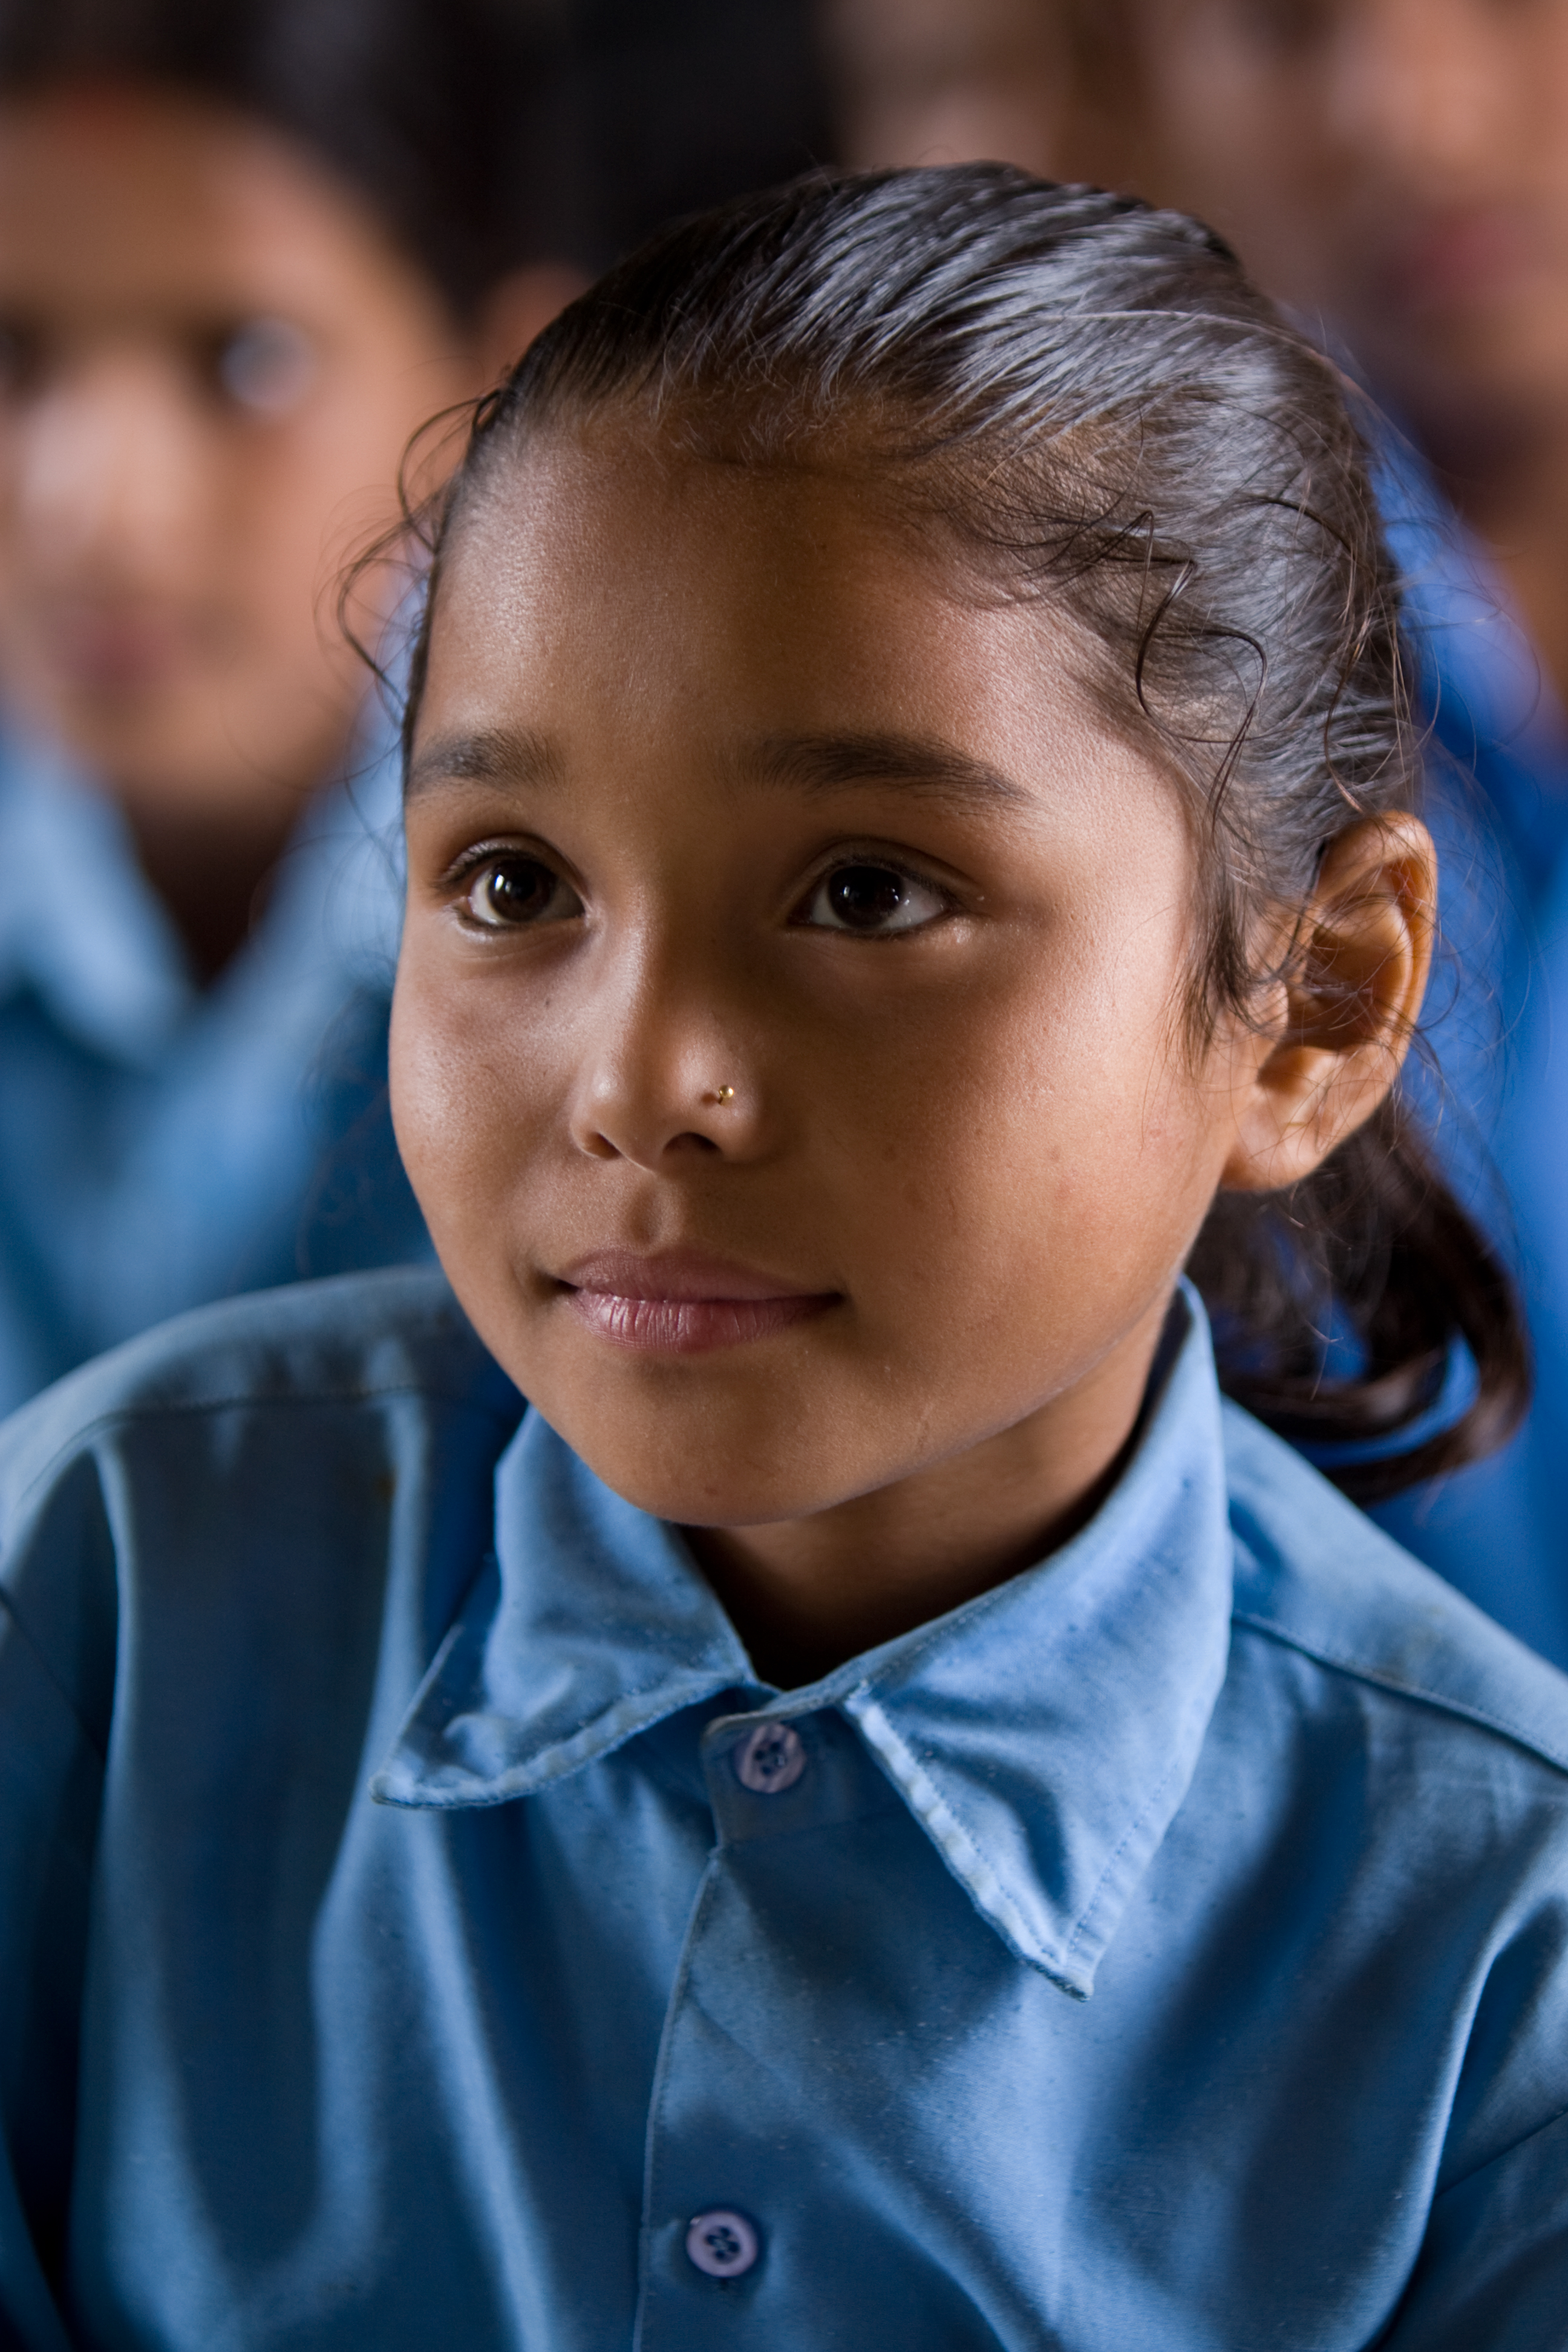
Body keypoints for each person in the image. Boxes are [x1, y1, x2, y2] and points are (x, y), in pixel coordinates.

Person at [3, 166, 1567, 2347]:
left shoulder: (1503, 1961)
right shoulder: (105, 1592)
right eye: (513, 882)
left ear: (1310, 1001)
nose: (643, 1085)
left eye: (866, 894)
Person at [0, 0, 580, 1413]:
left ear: (500, 390)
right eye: (12, 358)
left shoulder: (638, 946)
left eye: (244, 362)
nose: (92, 502)